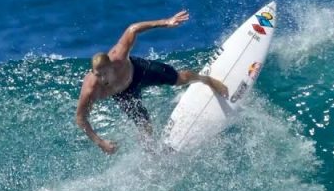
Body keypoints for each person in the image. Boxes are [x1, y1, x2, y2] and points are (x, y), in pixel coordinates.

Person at [75, 10, 229, 154]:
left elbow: (133, 29)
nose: (101, 79)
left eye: (104, 74)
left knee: (180, 79)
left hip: (139, 72)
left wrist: (166, 22)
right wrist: (100, 142)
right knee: (145, 127)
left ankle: (207, 79)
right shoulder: (91, 89)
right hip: (123, 94)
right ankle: (153, 155)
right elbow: (80, 118)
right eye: (97, 75)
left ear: (111, 66)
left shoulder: (119, 57)